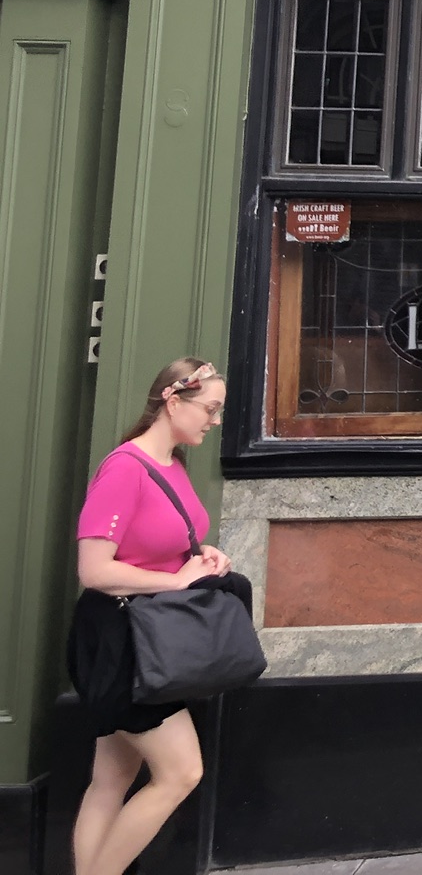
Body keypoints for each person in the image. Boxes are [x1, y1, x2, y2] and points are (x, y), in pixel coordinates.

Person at [69, 358, 241, 875]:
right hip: (121, 640)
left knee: (112, 779)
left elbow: (159, 542)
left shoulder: (172, 464)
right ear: (172, 399)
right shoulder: (125, 467)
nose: (215, 420)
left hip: (150, 638)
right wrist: (177, 581)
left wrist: (203, 554)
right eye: (210, 408)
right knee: (181, 773)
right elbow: (94, 570)